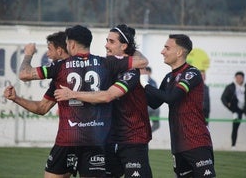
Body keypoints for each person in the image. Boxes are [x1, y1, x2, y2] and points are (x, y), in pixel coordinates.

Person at [16, 25, 148, 178]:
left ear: (71, 44)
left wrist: (28, 54)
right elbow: (142, 62)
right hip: (95, 140)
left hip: (68, 138)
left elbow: (24, 74)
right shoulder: (105, 64)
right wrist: (131, 49)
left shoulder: (60, 68)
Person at [54, 24, 153, 178]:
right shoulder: (106, 67)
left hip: (132, 138)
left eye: (111, 42)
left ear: (124, 46)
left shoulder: (131, 72)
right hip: (108, 138)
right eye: (107, 40)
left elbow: (107, 96)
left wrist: (71, 94)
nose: (106, 45)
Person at [140, 34, 216, 177]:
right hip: (178, 145)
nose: (162, 51)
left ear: (179, 52)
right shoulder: (169, 78)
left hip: (196, 141)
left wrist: (145, 84)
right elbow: (154, 103)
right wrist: (136, 85)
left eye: (167, 48)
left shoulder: (192, 73)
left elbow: (172, 98)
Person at [221, 71, 246, 149]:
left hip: (244, 109)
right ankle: (233, 145)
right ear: (235, 78)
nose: (238, 79)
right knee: (235, 127)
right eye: (237, 78)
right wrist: (227, 104)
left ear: (243, 78)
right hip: (235, 108)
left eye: (240, 78)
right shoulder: (231, 87)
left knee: (239, 125)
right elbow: (223, 97)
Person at [145, 66, 160, 132]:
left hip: (153, 106)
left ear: (150, 73)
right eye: (145, 72)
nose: (146, 74)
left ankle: (148, 134)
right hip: (144, 106)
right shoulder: (140, 81)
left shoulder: (153, 82)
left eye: (147, 72)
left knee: (157, 125)